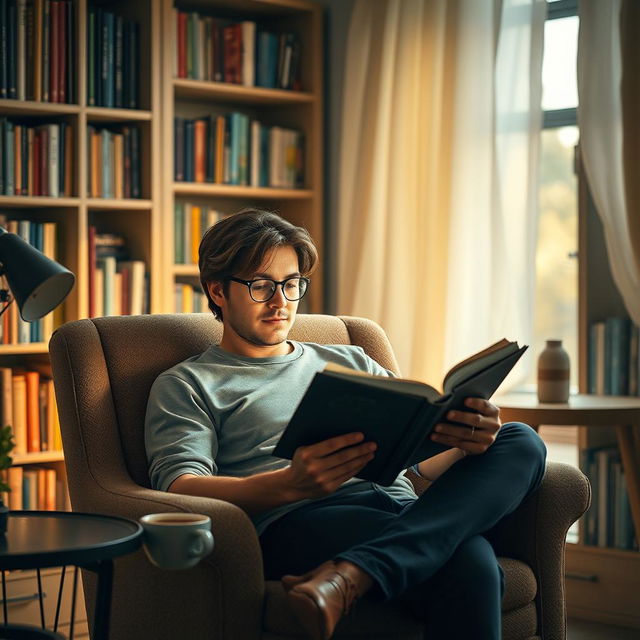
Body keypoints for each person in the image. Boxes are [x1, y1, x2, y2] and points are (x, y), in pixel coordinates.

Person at [145, 209, 547, 640]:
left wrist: (465, 442)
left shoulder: (350, 358)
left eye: (292, 283)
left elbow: (416, 466)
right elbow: (179, 488)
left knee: (520, 441)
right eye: (261, 285)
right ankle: (354, 573)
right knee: (471, 559)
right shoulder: (188, 382)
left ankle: (351, 575)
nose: (281, 301)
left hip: (404, 507)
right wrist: (288, 484)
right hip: (300, 520)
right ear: (217, 291)